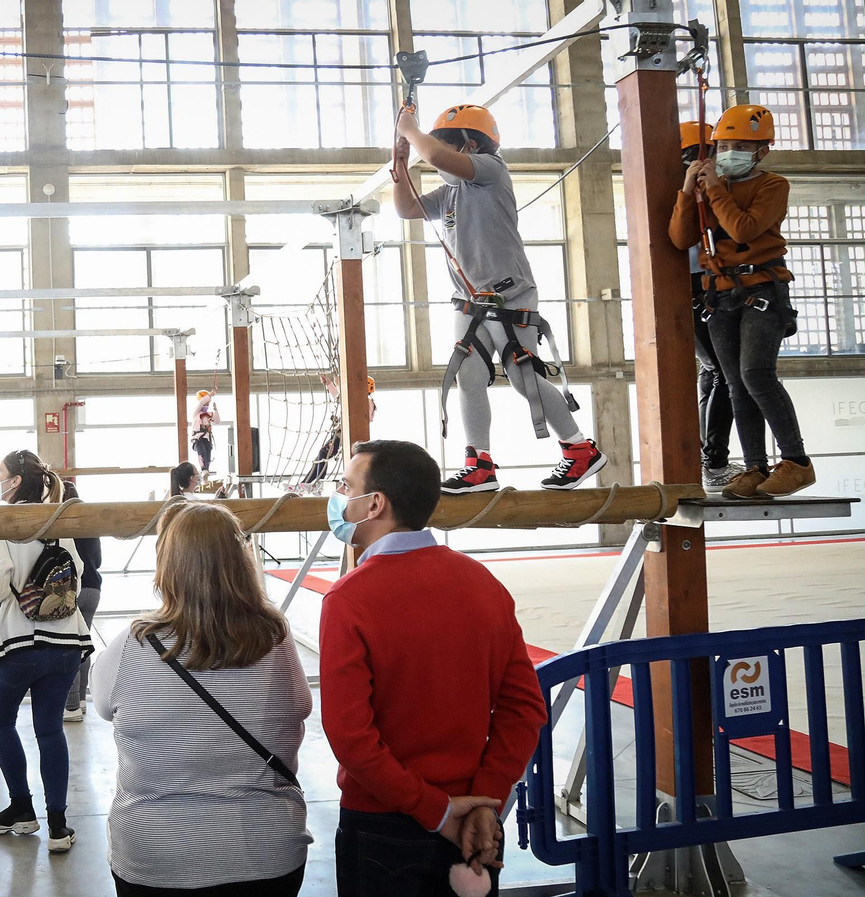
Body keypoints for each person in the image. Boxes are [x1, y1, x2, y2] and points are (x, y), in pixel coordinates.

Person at [319, 440, 547, 896]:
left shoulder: (348, 600)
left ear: (374, 504)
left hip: (385, 821)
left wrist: (436, 810)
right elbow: (524, 709)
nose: (338, 496)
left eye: (346, 487)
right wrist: (487, 801)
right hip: (477, 823)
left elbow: (351, 738)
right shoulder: (483, 584)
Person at [92, 502, 312, 896]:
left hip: (156, 855)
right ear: (241, 559)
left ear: (167, 564)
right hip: (265, 851)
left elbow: (102, 706)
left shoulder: (133, 645)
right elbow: (299, 709)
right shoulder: (276, 638)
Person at [393, 103, 607, 495]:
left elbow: (435, 154)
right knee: (468, 378)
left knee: (524, 378)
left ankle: (579, 449)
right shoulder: (451, 193)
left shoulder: (491, 171)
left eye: (447, 147)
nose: (439, 157)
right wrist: (401, 167)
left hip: (509, 296)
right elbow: (407, 208)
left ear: (470, 145)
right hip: (470, 301)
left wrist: (411, 130)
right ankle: (480, 462)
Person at [669, 104, 813, 499]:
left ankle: (797, 461)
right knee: (734, 383)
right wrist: (688, 191)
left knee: (756, 374)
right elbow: (681, 239)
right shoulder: (709, 190)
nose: (727, 153)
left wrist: (713, 189)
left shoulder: (772, 185)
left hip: (761, 290)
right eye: (724, 145)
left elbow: (743, 228)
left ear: (761, 151)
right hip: (720, 296)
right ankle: (753, 468)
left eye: (738, 146)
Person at [0, 449, 92, 853]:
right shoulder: (59, 517)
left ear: (14, 481)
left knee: (2, 723)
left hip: (14, 641)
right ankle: (58, 826)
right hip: (65, 641)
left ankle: (21, 809)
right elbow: (76, 568)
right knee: (50, 729)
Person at [676, 122, 742, 491]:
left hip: (702, 286)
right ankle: (714, 462)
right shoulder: (693, 192)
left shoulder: (699, 192)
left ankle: (711, 460)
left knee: (711, 371)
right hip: (700, 287)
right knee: (723, 372)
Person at [61, 479, 101, 723]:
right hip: (93, 588)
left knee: (69, 647)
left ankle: (72, 705)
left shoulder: (60, 523)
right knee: (83, 644)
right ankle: (83, 700)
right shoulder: (90, 522)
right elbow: (98, 560)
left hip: (71, 590)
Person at [190, 391, 218, 474]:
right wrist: (209, 395)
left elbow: (217, 421)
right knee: (201, 451)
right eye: (205, 403)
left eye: (207, 404)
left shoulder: (209, 414)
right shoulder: (196, 413)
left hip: (206, 438)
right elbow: (201, 403)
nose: (206, 405)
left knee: (208, 453)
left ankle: (206, 470)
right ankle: (203, 469)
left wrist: (215, 410)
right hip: (197, 438)